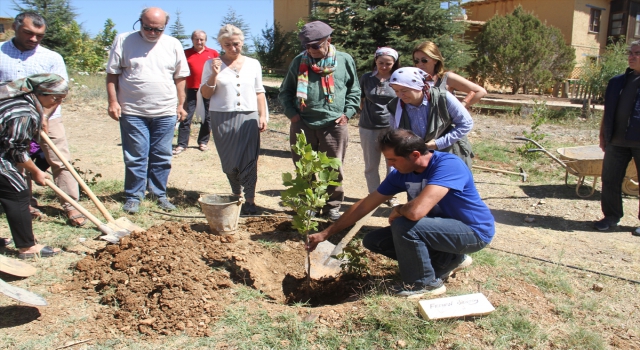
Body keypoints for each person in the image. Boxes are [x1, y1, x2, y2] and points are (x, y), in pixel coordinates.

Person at [307, 129, 495, 298]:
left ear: (414, 155)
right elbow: (365, 205)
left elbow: (415, 213)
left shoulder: (448, 165)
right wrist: (326, 233)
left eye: (393, 159)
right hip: (441, 228)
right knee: (374, 240)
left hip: (473, 231)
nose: (390, 164)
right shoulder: (401, 173)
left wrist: (398, 209)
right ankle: (449, 259)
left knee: (404, 225)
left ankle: (424, 284)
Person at [0, 12, 85, 227]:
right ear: (15, 28)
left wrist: (44, 116)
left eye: (39, 35)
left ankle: (72, 206)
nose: (34, 39)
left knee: (60, 160)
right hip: (12, 121)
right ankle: (26, 203)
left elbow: (60, 91)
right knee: (17, 159)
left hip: (49, 118)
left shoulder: (51, 57)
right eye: (28, 33)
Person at [106, 7, 190, 214]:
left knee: (162, 155)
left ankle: (158, 194)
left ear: (165, 27)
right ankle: (134, 196)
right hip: (133, 111)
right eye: (148, 28)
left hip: (165, 111)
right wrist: (112, 102)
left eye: (158, 29)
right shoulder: (124, 40)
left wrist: (181, 105)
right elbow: (112, 74)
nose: (152, 33)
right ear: (140, 23)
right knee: (136, 156)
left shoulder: (173, 44)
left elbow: (180, 77)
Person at [278, 21, 360, 221]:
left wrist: (347, 113)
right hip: (303, 123)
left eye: (315, 45)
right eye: (306, 46)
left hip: (334, 124)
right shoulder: (299, 61)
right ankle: (309, 205)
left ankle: (332, 207)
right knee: (304, 167)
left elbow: (354, 90)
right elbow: (285, 91)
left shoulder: (344, 60)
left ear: (328, 41)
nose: (310, 50)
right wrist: (293, 115)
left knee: (333, 168)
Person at [199, 24, 267, 215]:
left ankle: (250, 200)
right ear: (221, 44)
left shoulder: (253, 64)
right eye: (228, 44)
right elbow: (205, 93)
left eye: (236, 43)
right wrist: (214, 74)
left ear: (242, 42)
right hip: (222, 116)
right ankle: (236, 194)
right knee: (229, 161)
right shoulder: (212, 64)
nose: (233, 48)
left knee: (249, 160)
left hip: (249, 116)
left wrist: (262, 116)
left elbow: (259, 91)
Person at [0, 74, 67, 259]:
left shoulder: (16, 97)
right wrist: (36, 171)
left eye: (62, 99)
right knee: (17, 193)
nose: (58, 103)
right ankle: (27, 248)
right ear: (41, 93)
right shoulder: (23, 112)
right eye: (55, 98)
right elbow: (17, 151)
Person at [594, 40, 640, 236]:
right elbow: (608, 111)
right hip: (616, 141)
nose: (631, 56)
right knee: (610, 179)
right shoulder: (616, 82)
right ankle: (611, 217)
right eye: (631, 53)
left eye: (637, 53)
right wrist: (603, 135)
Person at [388, 67, 474, 167]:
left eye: (404, 90)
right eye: (396, 91)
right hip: (418, 159)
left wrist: (439, 143)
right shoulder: (395, 106)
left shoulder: (442, 97)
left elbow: (466, 123)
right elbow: (395, 133)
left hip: (448, 154)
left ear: (419, 86)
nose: (400, 95)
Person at [359, 47, 402, 208]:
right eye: (381, 63)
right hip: (368, 126)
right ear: (375, 61)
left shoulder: (398, 78)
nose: (384, 66)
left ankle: (390, 195)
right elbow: (361, 99)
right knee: (371, 163)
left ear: (394, 63)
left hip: (392, 127)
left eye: (388, 64)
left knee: (392, 163)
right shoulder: (367, 78)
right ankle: (374, 195)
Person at [173, 30, 219, 155]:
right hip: (190, 90)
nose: (199, 41)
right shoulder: (186, 53)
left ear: (206, 40)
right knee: (186, 116)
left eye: (202, 39)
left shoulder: (213, 53)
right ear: (192, 40)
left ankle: (203, 142)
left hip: (207, 90)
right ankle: (182, 144)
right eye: (196, 39)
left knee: (208, 118)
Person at [413, 41, 487, 108]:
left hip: (445, 123)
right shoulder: (413, 78)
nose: (420, 64)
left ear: (435, 60)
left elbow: (480, 91)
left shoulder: (446, 78)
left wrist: (461, 107)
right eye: (416, 61)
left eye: (424, 60)